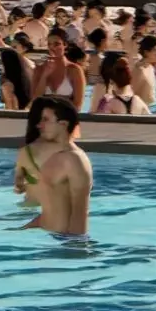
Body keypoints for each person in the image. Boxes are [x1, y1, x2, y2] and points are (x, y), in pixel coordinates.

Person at [24, 99, 91, 237]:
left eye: (46, 120)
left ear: (63, 124)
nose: (40, 125)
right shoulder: (58, 157)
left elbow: (79, 214)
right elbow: (52, 208)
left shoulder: (74, 160)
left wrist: (73, 249)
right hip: (46, 237)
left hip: (62, 242)